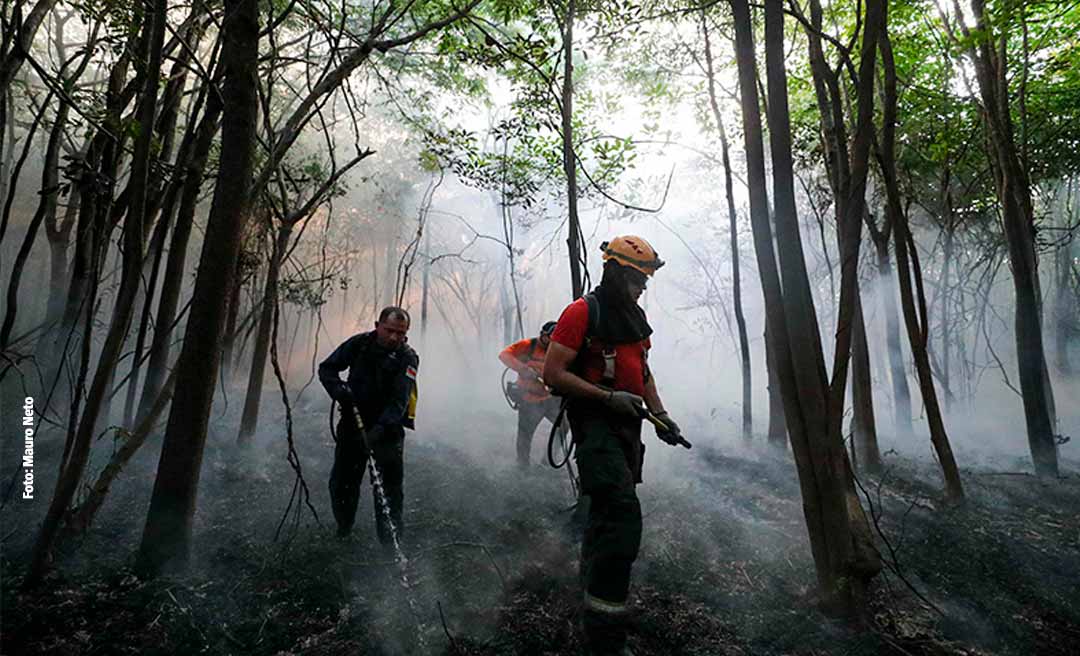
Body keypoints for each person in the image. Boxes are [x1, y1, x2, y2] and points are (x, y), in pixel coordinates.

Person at [543, 236, 684, 656]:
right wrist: (607, 398)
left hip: (627, 428)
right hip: (595, 426)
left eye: (646, 280)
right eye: (638, 278)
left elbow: (644, 371)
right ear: (616, 273)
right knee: (622, 516)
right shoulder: (581, 312)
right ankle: (605, 634)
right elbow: (553, 373)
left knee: (605, 515)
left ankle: (590, 602)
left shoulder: (634, 317)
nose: (643, 287)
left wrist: (661, 415)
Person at [319, 306, 419, 543]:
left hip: (388, 431)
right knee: (342, 482)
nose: (394, 337)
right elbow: (327, 368)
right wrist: (339, 391)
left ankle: (390, 543)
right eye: (389, 330)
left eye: (400, 333)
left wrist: (379, 430)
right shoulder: (359, 344)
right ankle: (344, 529)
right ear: (377, 326)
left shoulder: (407, 357)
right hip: (352, 423)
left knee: (389, 489)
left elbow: (400, 400)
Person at [498, 321, 567, 468]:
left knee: (564, 426)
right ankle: (523, 466)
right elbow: (504, 355)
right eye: (550, 338)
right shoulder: (528, 346)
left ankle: (548, 459)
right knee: (525, 436)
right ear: (543, 335)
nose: (552, 343)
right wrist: (523, 368)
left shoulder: (557, 350)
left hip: (551, 399)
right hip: (530, 400)